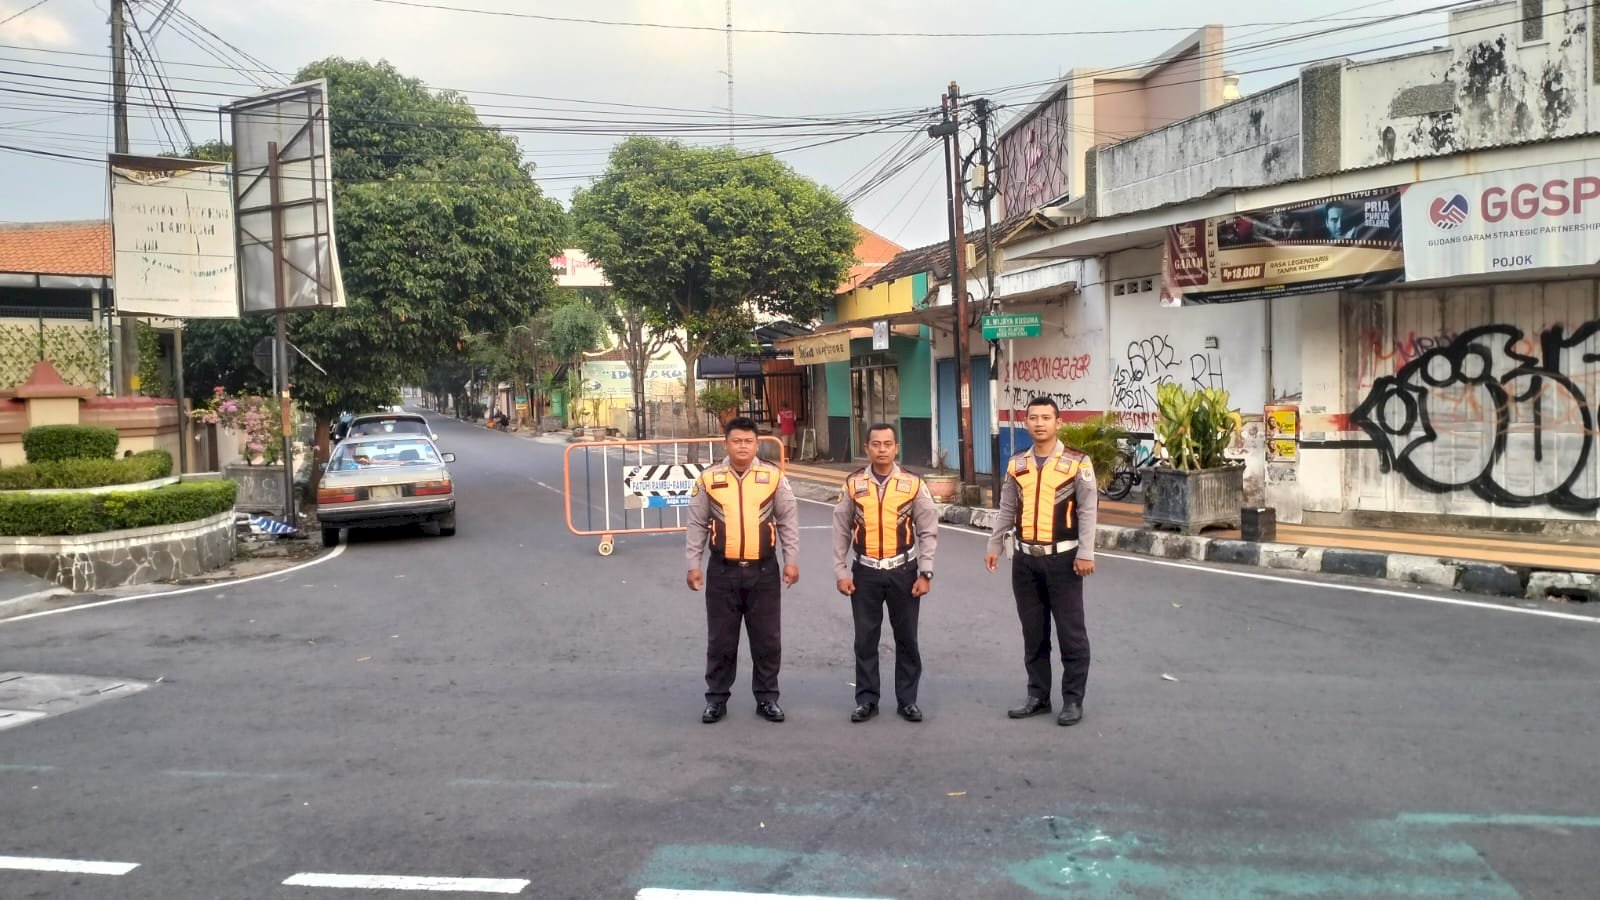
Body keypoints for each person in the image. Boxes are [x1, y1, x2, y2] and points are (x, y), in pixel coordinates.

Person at [985, 396, 1099, 727]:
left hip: (1064, 561)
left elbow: (1088, 510)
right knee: (1033, 632)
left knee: (1071, 634)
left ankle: (1073, 700)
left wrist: (1086, 552)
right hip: (1025, 562)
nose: (1039, 423)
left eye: (1046, 418)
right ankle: (1038, 696)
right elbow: (1007, 507)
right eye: (1033, 418)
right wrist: (994, 543)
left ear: (1057, 422)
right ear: (1026, 423)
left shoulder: (1078, 463)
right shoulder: (1017, 464)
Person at [685, 416, 801, 724]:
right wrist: (693, 565)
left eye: (749, 441)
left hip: (763, 572)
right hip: (722, 572)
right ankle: (716, 699)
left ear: (756, 444)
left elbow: (788, 520)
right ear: (726, 444)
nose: (742, 447)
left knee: (767, 639)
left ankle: (767, 698)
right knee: (721, 640)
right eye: (736, 441)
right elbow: (696, 523)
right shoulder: (709, 479)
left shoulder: (773, 477)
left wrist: (791, 561)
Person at [832, 423, 939, 723]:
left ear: (896, 447)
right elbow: (841, 530)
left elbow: (928, 530)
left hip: (904, 572)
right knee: (865, 639)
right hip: (864, 573)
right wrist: (841, 571)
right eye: (876, 444)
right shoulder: (853, 484)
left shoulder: (913, 484)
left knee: (907, 638)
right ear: (866, 448)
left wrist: (925, 572)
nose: (882, 449)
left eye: (887, 444)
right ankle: (867, 700)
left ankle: (908, 700)